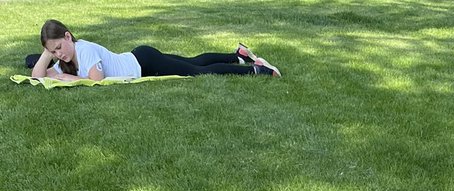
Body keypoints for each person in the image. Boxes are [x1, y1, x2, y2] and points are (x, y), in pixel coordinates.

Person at [31, 20, 281, 81]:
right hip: (140, 57)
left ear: (68, 36)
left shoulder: (83, 50)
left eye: (60, 47)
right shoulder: (65, 57)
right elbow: (37, 76)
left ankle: (256, 69)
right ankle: (237, 55)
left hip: (145, 63)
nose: (59, 54)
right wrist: (47, 52)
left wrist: (66, 77)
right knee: (194, 61)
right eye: (54, 52)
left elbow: (96, 81)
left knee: (196, 71)